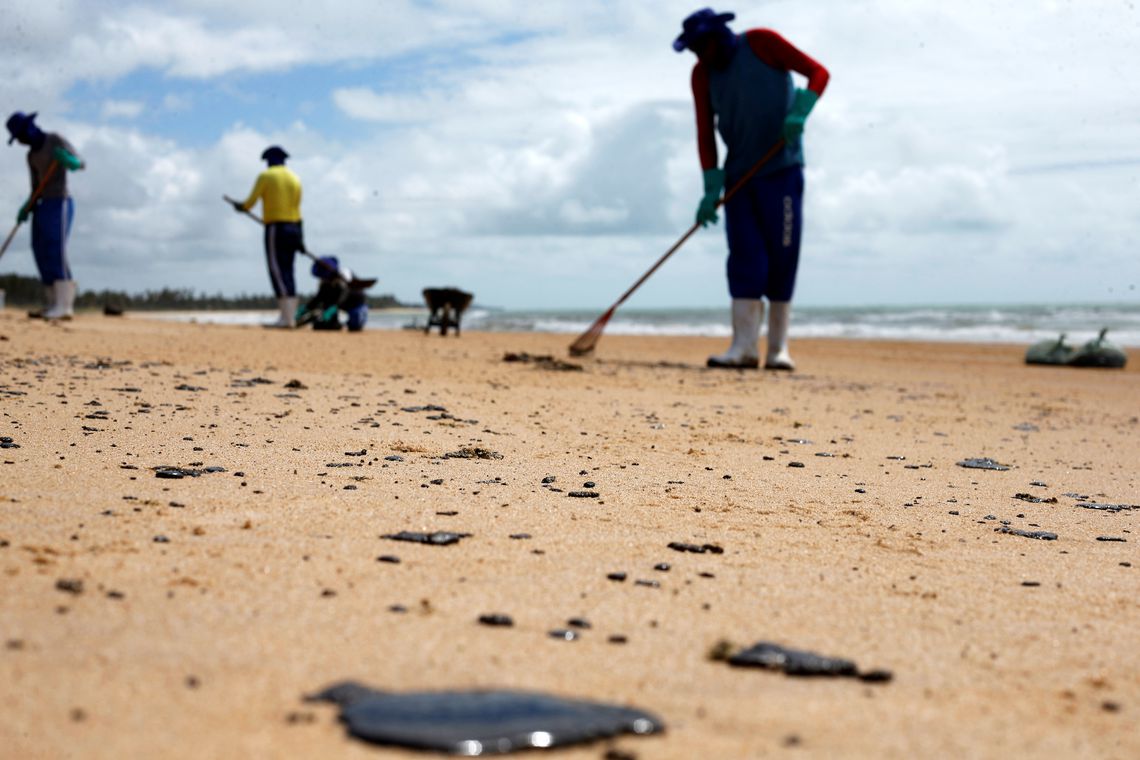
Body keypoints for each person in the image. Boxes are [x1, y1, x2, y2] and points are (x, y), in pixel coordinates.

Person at [674, 9, 829, 370]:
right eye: (693, 50)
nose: (699, 55)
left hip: (783, 170)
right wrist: (710, 185)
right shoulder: (701, 74)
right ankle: (742, 347)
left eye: (702, 46)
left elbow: (819, 74)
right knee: (745, 259)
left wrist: (800, 111)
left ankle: (777, 350)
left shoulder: (762, 42)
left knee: (782, 257)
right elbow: (704, 130)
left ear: (720, 35)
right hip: (739, 179)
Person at [6, 112, 85, 320]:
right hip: (42, 203)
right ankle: (52, 304)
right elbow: (35, 186)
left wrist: (67, 159)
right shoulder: (31, 156)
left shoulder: (54, 140)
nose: (21, 141)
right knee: (39, 248)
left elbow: (80, 164)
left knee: (55, 247)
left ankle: (65, 306)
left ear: (29, 128)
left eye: (20, 136)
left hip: (60, 201)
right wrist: (27, 207)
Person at [232, 146, 303, 327]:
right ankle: (288, 317)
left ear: (269, 160)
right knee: (289, 271)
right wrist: (301, 238)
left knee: (277, 270)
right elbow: (297, 209)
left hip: (276, 228)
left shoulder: (266, 176)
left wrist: (242, 207)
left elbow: (250, 203)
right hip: (295, 228)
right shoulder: (295, 178)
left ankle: (286, 319)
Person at [296, 256, 369, 332]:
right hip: (335, 306)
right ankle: (335, 323)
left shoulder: (345, 276)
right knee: (322, 325)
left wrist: (334, 307)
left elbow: (344, 294)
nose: (322, 279)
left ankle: (349, 321)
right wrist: (306, 308)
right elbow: (318, 297)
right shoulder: (325, 283)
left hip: (355, 305)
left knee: (355, 326)